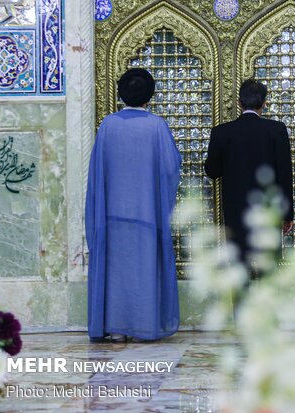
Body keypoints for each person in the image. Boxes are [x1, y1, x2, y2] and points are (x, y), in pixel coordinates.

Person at [85, 68, 182, 342]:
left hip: (113, 215)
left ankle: (116, 330)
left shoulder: (108, 125)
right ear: (149, 96)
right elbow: (170, 167)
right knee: (143, 270)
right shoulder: (156, 125)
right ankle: (143, 328)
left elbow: (97, 172)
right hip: (147, 214)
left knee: (116, 272)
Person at [204, 79, 294, 274]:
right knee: (268, 271)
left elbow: (212, 171)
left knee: (238, 271)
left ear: (239, 102)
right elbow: (285, 175)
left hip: (236, 213)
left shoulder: (222, 133)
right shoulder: (276, 130)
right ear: (264, 103)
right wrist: (287, 215)